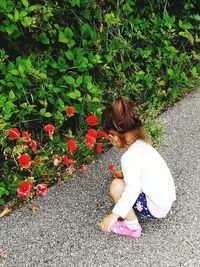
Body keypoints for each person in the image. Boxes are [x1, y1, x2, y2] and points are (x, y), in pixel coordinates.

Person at [100, 96, 176, 238]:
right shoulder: (143, 144)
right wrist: (126, 173)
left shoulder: (128, 158)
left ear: (115, 137)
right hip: (166, 200)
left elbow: (132, 191)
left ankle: (132, 228)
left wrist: (114, 215)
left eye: (109, 138)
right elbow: (145, 169)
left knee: (116, 186)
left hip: (156, 208)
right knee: (123, 181)